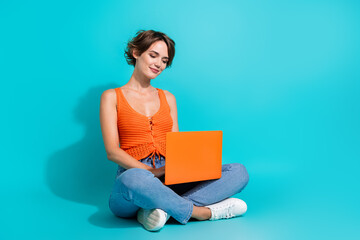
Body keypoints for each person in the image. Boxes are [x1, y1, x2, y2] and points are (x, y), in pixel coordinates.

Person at [99, 29, 250, 232]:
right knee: (133, 178)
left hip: (170, 176)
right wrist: (152, 173)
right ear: (136, 52)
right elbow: (112, 151)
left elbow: (176, 144)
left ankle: (161, 210)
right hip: (136, 179)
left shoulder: (168, 98)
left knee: (238, 171)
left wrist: (192, 165)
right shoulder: (111, 97)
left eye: (164, 60)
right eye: (153, 55)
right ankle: (202, 212)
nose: (158, 64)